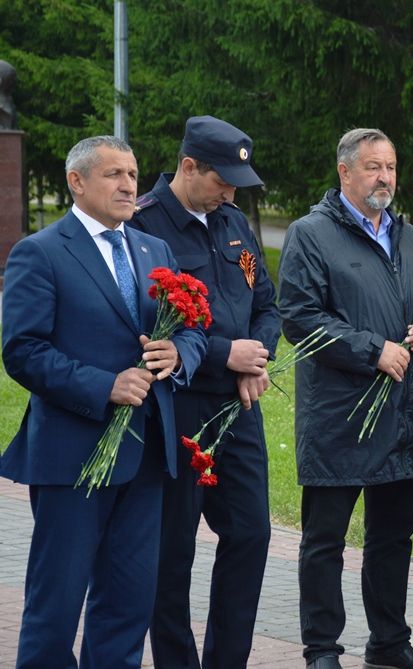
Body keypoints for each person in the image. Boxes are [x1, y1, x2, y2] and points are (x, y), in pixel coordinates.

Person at [1, 135, 206, 668]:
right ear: (77, 181)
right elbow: (22, 351)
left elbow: (192, 330)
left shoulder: (152, 250)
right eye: (114, 174)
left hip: (144, 458)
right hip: (74, 459)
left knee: (126, 605)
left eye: (133, 175)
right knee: (57, 604)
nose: (129, 185)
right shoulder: (40, 252)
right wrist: (103, 385)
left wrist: (178, 353)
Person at [278, 128, 413, 669]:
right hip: (340, 415)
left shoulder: (407, 237)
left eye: (392, 167)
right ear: (345, 172)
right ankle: (322, 650)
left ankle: (389, 643)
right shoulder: (310, 234)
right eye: (374, 167)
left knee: (392, 536)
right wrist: (370, 349)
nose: (385, 178)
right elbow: (299, 318)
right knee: (326, 539)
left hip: (400, 414)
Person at [130, 115, 280, 669]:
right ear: (188, 166)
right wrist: (225, 354)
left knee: (252, 534)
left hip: (237, 409)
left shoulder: (234, 222)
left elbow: (267, 305)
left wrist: (254, 356)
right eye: (220, 180)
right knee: (173, 552)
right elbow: (145, 325)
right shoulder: (146, 228)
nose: (229, 192)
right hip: (180, 408)